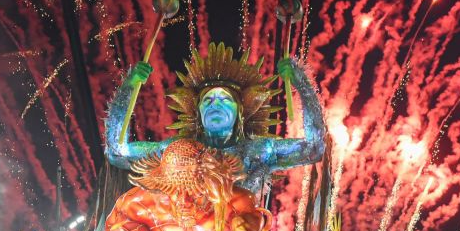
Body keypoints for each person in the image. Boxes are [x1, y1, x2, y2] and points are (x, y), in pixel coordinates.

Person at [104, 44, 327, 194]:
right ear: (198, 113)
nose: (216, 105)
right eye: (208, 101)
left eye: (224, 99)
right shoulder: (176, 151)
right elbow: (117, 151)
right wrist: (129, 86)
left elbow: (314, 147)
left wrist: (300, 81)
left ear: (240, 112)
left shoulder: (260, 150)